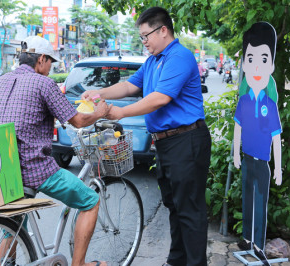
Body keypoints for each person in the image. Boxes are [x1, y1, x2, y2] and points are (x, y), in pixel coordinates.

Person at [82, 7, 211, 266]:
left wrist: (119, 112)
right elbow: (130, 85)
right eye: (141, 37)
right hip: (166, 142)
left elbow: (159, 98)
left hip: (187, 140)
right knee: (173, 206)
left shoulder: (179, 57)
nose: (144, 42)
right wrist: (100, 93)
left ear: (163, 30)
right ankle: (177, 260)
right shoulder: (153, 61)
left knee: (190, 210)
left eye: (146, 36)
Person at [0, 35, 110, 266]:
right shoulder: (44, 83)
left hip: (4, 168)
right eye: (50, 63)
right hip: (34, 168)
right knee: (90, 200)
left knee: (14, 223)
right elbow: (78, 121)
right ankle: (79, 265)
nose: (50, 69)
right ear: (42, 59)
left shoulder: (3, 80)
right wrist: (99, 113)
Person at [233, 22, 282, 264]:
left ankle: (259, 245)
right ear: (243, 62)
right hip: (246, 156)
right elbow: (237, 127)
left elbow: (276, 136)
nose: (256, 66)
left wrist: (279, 167)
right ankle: (246, 238)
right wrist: (235, 153)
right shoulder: (243, 100)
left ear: (271, 65)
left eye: (263, 59)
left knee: (260, 201)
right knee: (247, 199)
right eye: (250, 59)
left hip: (263, 160)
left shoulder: (270, 104)